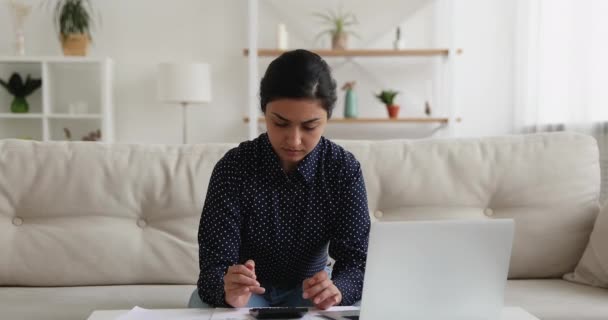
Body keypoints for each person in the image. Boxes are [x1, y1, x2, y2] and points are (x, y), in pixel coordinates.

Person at [188, 49, 370, 310]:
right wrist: (228, 291)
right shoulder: (233, 168)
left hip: (311, 292)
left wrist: (337, 289)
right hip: (247, 294)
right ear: (264, 112)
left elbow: (357, 263)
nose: (294, 140)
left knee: (362, 304)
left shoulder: (343, 170)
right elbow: (212, 268)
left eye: (309, 126)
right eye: (280, 123)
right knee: (200, 303)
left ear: (327, 118)